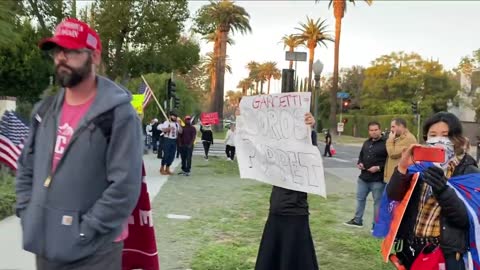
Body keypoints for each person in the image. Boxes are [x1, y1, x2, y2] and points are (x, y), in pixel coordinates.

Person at [15, 18, 143, 270]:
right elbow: (25, 167)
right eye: (57, 51)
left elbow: (125, 187)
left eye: (71, 51)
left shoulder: (118, 115)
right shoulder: (45, 110)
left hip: (94, 252)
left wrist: (85, 230)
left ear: (94, 56)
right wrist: (27, 211)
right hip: (46, 244)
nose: (61, 58)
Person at [387, 112, 478, 269]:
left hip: (444, 253)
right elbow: (393, 195)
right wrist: (402, 167)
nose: (439, 140)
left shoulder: (468, 172)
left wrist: (443, 190)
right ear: (426, 138)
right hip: (412, 249)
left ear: (456, 138)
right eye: (433, 135)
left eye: (446, 135)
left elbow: (467, 219)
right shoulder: (419, 166)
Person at [255, 112, 319, 270]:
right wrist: (242, 121)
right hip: (276, 209)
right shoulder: (276, 150)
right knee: (273, 254)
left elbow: (311, 154)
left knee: (295, 255)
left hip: (295, 211)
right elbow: (255, 147)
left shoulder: (304, 152)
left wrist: (310, 130)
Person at [344, 121, 388, 229]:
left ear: (380, 130)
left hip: (377, 179)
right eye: (371, 130)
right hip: (363, 178)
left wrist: (378, 168)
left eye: (376, 130)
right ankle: (357, 220)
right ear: (369, 131)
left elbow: (389, 161)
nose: (373, 132)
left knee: (377, 203)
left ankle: (376, 225)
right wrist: (360, 163)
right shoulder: (366, 143)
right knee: (360, 199)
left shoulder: (386, 143)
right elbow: (361, 155)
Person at [384, 118, 417, 183]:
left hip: (398, 178)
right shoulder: (398, 137)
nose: (391, 129)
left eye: (393, 127)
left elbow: (392, 153)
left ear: (401, 126)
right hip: (393, 177)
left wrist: (390, 140)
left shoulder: (408, 139)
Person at [159, 111, 182, 175]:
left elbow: (180, 132)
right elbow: (163, 130)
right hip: (167, 139)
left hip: (174, 140)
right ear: (170, 116)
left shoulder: (177, 124)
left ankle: (167, 168)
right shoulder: (166, 122)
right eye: (173, 116)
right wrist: (168, 128)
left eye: (175, 116)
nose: (174, 117)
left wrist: (179, 124)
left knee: (172, 155)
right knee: (166, 154)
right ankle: (162, 168)